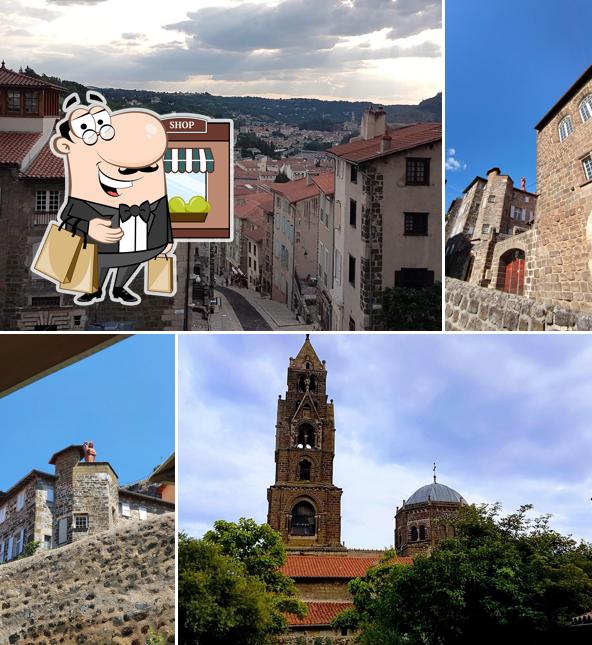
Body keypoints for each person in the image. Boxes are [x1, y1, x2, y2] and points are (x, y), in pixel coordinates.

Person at [36, 91, 175, 306]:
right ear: (66, 146)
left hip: (138, 244)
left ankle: (119, 287)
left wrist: (166, 241)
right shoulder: (85, 198)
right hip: (101, 247)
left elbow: (160, 214)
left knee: (130, 263)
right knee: (99, 264)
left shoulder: (152, 198)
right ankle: (94, 289)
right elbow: (69, 215)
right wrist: (89, 228)